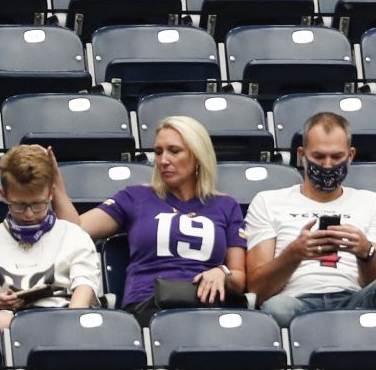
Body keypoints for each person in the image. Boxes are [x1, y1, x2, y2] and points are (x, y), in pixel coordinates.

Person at [52, 115, 246, 322]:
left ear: (198, 156)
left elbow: (239, 277)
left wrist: (222, 273)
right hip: (147, 307)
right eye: (158, 152)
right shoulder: (136, 197)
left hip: (207, 308)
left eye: (174, 151)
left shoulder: (226, 205)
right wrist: (56, 188)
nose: (163, 161)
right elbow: (76, 229)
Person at [243, 112, 376, 326]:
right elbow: (257, 291)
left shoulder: (372, 202)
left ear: (350, 155)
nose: (327, 165)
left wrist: (365, 252)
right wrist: (294, 253)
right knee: (276, 309)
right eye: (318, 156)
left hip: (355, 299)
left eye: (336, 157)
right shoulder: (268, 201)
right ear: (302, 154)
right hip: (295, 301)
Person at [0, 145, 100, 330]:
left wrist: (72, 321)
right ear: (4, 195)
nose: (29, 214)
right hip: (11, 322)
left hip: (64, 315)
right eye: (19, 206)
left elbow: (85, 285)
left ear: (51, 193)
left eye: (38, 205)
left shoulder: (73, 234)